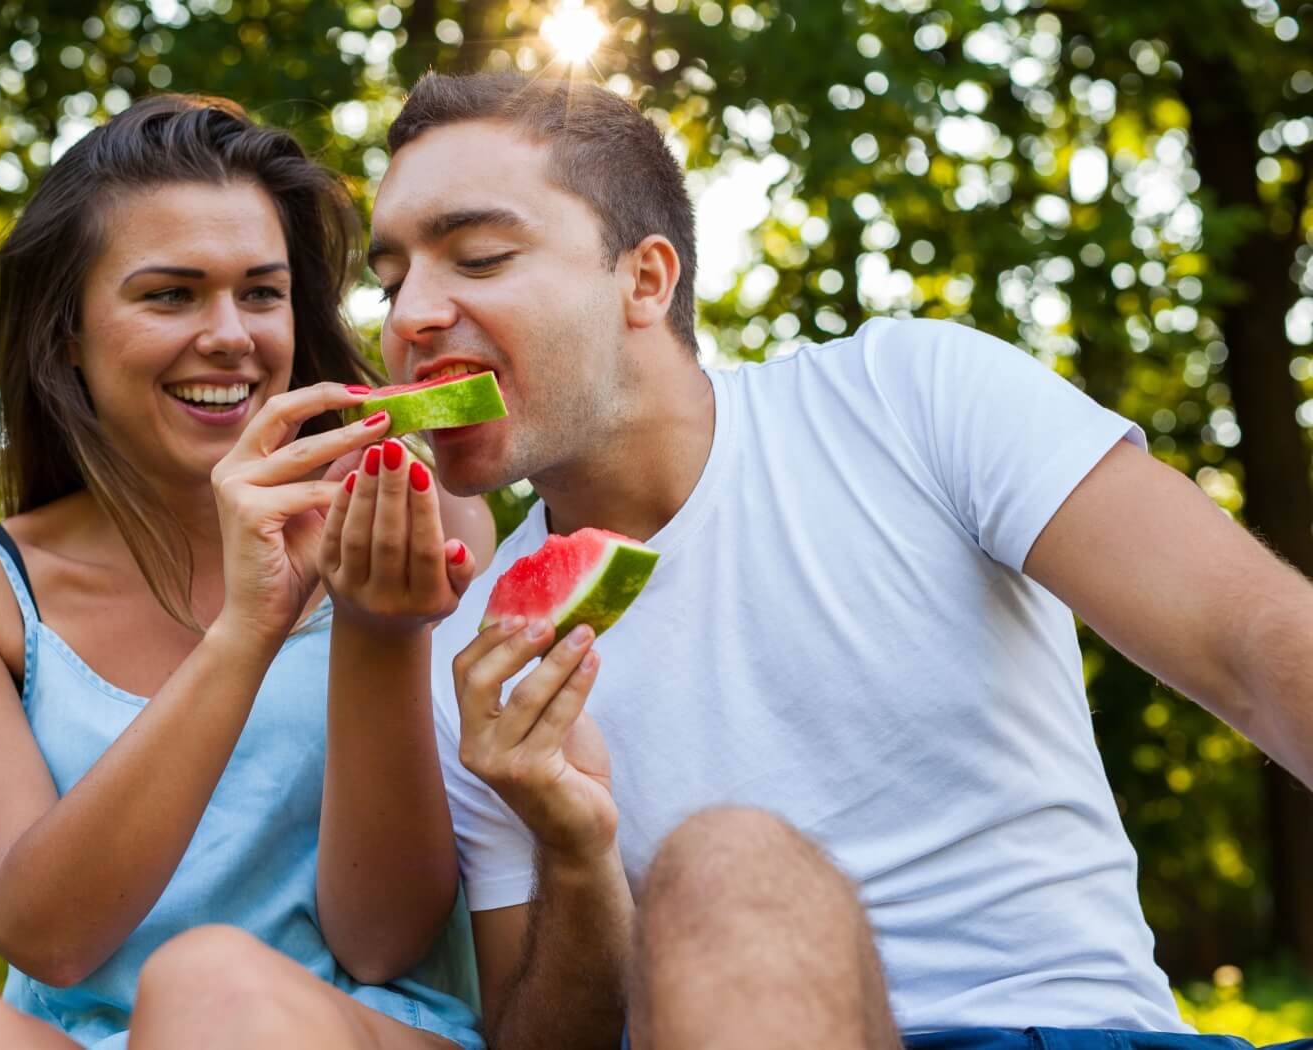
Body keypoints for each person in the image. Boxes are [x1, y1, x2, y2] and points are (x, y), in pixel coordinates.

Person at [354, 73, 1311, 1050]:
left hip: (1065, 1033)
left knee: (726, 861)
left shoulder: (912, 398)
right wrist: (572, 849)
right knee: (722, 866)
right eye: (389, 282)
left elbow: (1255, 644)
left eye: (477, 257)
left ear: (644, 279)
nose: (409, 316)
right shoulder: (470, 663)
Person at [0, 94, 494, 1050]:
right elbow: (50, 938)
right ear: (67, 331)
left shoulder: (402, 510)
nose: (232, 337)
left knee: (214, 991)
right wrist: (248, 627)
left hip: (354, 1023)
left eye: (261, 291)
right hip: (100, 1030)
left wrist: (376, 630)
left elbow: (384, 943)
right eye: (170, 294)